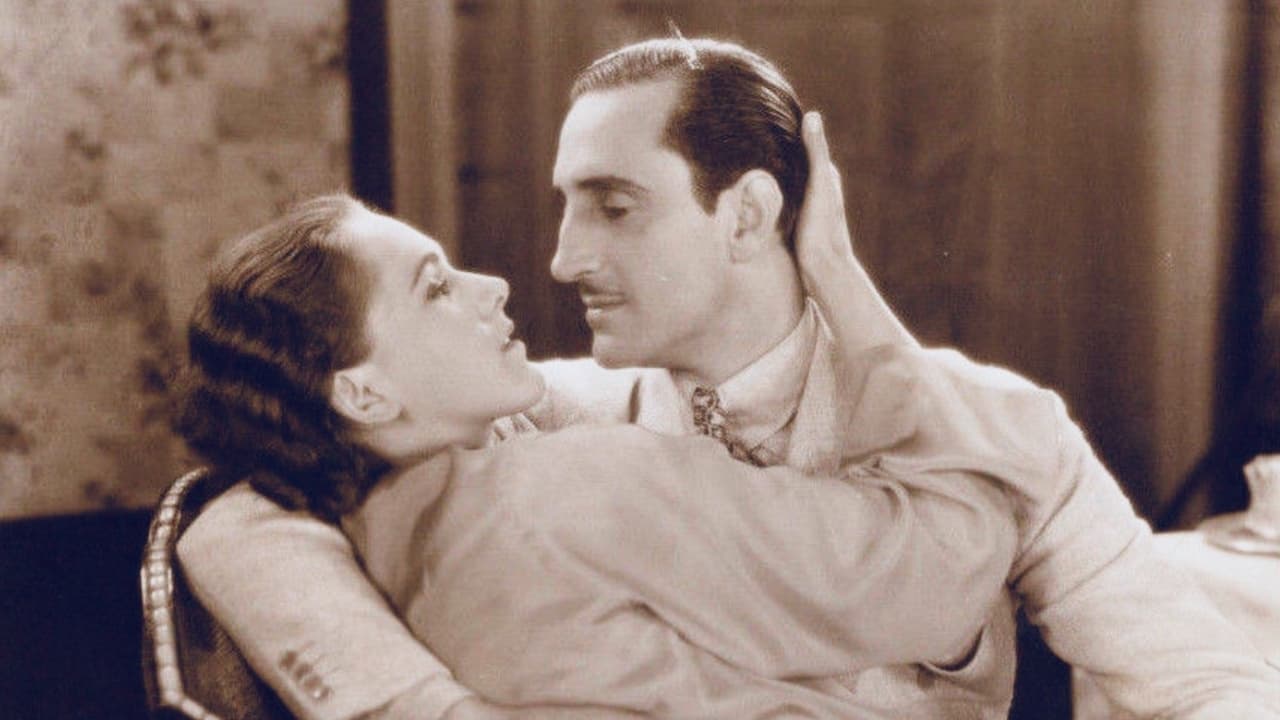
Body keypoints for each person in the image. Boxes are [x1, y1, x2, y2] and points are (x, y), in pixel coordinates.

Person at [178, 37, 1280, 720]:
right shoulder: (548, 423)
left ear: (747, 214)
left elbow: (1202, 684)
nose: (558, 260)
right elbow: (232, 523)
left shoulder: (999, 428)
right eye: (566, 207)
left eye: (613, 206)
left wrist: (847, 291)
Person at [174, 192, 1020, 718]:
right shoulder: (572, 483)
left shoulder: (427, 492)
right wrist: (840, 281)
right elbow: (948, 570)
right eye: (436, 286)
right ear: (362, 395)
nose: (494, 285)